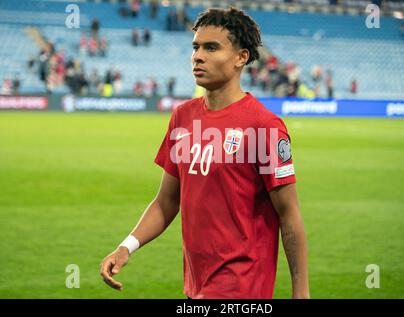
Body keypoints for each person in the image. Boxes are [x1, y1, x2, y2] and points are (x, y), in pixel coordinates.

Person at [100, 7, 309, 299]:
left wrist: (301, 291)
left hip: (242, 288)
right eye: (196, 47)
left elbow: (289, 214)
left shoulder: (264, 126)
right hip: (196, 286)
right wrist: (126, 247)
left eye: (212, 48)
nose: (198, 56)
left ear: (241, 57)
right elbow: (166, 201)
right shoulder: (182, 117)